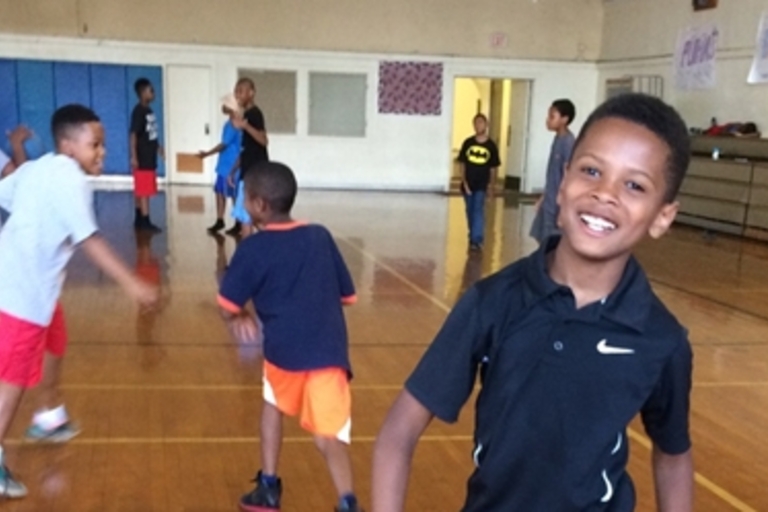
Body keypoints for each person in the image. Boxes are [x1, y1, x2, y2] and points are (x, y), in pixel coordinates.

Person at [372, 93, 694, 512]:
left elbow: (673, 456)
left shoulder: (660, 338)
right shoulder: (492, 303)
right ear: (563, 182)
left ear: (663, 217)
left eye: (634, 185)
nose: (604, 193)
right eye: (592, 170)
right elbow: (398, 433)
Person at [0, 104, 159, 498]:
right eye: (96, 144)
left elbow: (5, 191)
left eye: (103, 144)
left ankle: (50, 417)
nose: (103, 151)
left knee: (56, 341)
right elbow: (90, 239)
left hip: (35, 289)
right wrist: (132, 284)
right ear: (69, 147)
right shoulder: (70, 179)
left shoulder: (38, 168)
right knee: (13, 379)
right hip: (22, 295)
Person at [217, 161, 362, 512]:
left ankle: (268, 487)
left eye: (245, 199)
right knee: (328, 437)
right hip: (328, 355)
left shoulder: (252, 249)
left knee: (272, 406)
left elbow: (226, 304)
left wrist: (240, 316)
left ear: (259, 206)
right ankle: (347, 503)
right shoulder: (320, 236)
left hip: (283, 354)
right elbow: (348, 296)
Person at [530, 99, 577, 244]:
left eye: (552, 116)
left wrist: (563, 203)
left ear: (564, 119)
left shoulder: (568, 143)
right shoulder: (558, 138)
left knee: (552, 241)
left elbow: (568, 174)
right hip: (549, 199)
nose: (548, 120)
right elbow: (552, 175)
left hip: (557, 203)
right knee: (542, 236)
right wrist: (543, 198)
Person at [227, 77, 269, 238]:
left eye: (241, 92)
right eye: (236, 92)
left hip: (255, 175)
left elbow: (263, 140)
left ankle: (247, 255)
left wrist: (245, 126)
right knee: (250, 218)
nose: (238, 95)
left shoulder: (254, 114)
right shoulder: (247, 115)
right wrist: (233, 170)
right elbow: (246, 150)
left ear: (251, 93)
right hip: (248, 173)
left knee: (247, 217)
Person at [457, 113, 500, 252]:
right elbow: (462, 163)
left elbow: (493, 168)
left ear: (486, 125)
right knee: (470, 210)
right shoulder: (468, 143)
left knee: (478, 209)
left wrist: (491, 186)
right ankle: (473, 234)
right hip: (468, 183)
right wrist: (464, 181)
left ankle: (477, 239)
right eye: (476, 123)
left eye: (481, 123)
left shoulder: (491, 146)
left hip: (482, 183)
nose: (478, 125)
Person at [200, 96, 243, 234]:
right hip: (225, 164)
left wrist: (207, 153)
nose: (223, 107)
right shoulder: (232, 123)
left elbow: (223, 144)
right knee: (220, 191)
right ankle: (221, 220)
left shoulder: (232, 125)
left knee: (232, 193)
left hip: (230, 165)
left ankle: (238, 222)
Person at [130, 77, 164, 232]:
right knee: (144, 189)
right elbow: (133, 134)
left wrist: (158, 148)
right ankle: (145, 220)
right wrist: (134, 156)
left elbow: (150, 133)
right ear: (143, 93)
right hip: (142, 156)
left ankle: (138, 217)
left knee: (142, 187)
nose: (153, 93)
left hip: (150, 155)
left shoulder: (149, 111)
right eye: (151, 90)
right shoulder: (139, 112)